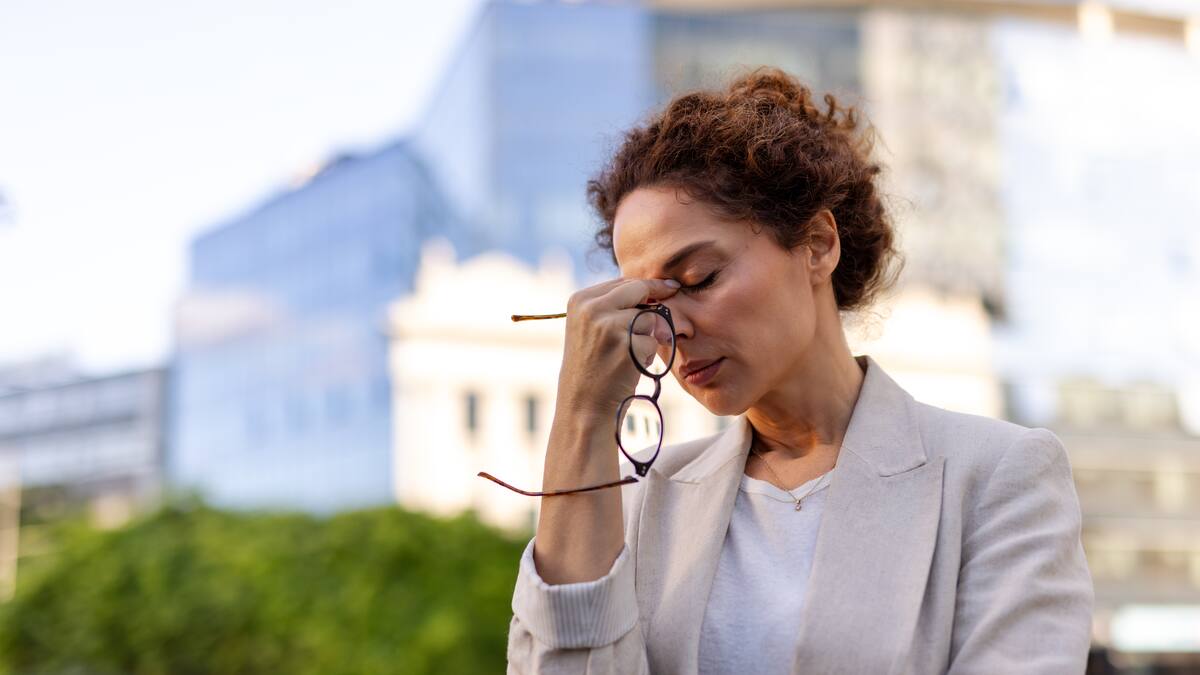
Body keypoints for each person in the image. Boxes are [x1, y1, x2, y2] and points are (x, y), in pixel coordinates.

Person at [500, 68, 1093, 674]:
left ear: (817, 244)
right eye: (648, 306)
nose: (670, 329)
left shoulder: (995, 477)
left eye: (699, 279)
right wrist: (582, 414)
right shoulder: (639, 507)